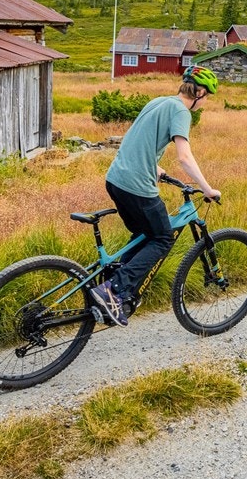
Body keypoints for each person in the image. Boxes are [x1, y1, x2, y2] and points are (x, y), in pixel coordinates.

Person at [94, 65, 222, 326]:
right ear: (198, 91)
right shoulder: (180, 111)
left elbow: (134, 140)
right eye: (206, 95)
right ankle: (113, 289)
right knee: (163, 238)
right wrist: (208, 189)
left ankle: (115, 287)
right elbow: (184, 157)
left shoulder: (158, 102)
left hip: (115, 179)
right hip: (136, 186)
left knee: (144, 235)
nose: (205, 101)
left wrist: (155, 167)